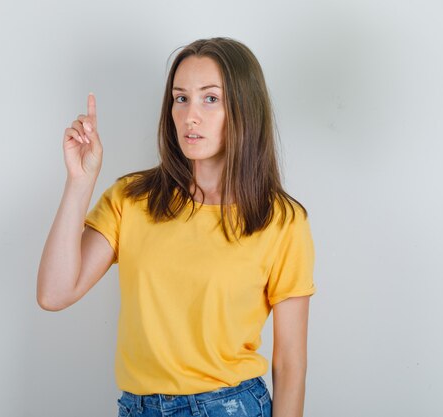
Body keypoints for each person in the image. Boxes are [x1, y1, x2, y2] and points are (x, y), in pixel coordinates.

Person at [37, 37, 316, 417]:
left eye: (210, 98)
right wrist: (80, 181)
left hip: (230, 406)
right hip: (138, 407)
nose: (190, 116)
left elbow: (290, 363)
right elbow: (54, 293)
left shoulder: (281, 221)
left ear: (245, 109)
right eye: (180, 98)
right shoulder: (131, 199)